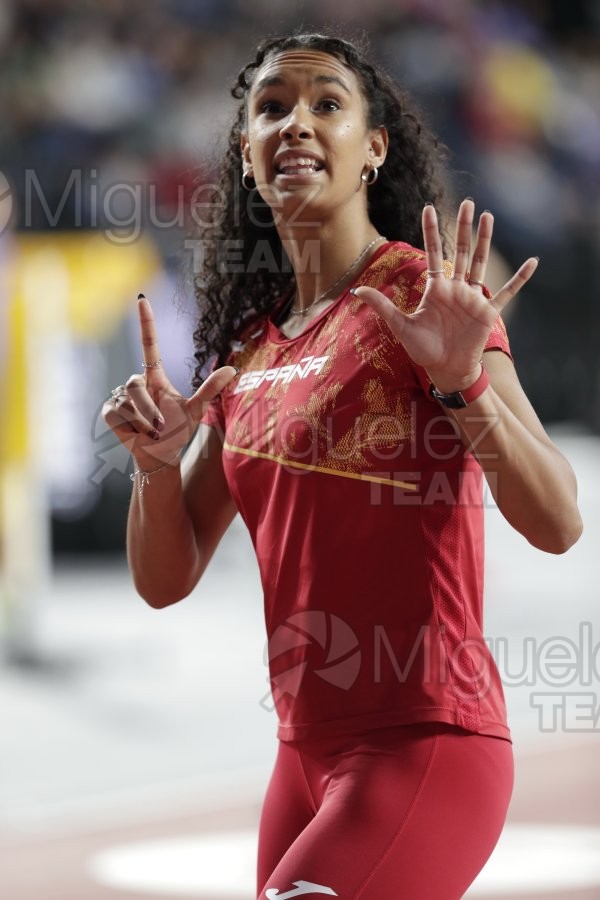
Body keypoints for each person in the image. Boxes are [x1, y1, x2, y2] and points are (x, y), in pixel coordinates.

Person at [102, 31, 583, 900]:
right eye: (272, 109)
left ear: (374, 149)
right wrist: (159, 467)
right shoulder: (249, 352)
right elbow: (165, 580)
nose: (296, 124)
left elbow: (558, 520)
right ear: (246, 156)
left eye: (327, 104)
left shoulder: (424, 298)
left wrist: (462, 381)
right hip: (300, 758)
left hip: (428, 739)